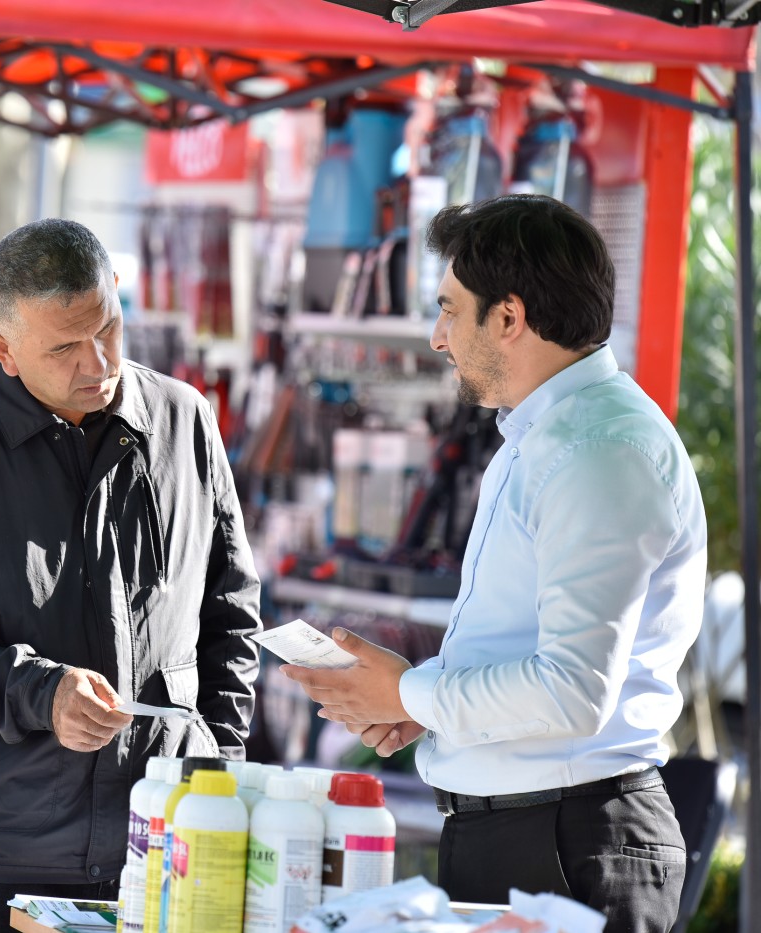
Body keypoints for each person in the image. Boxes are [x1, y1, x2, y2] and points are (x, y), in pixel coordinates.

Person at [282, 194, 705, 931]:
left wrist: (414, 694)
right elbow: (529, 657)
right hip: (534, 833)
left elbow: (574, 690)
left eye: (450, 309)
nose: (438, 336)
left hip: (567, 841)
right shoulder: (551, 435)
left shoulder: (596, 450)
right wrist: (420, 699)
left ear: (508, 317)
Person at [0, 219, 262, 933]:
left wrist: (216, 766)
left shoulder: (185, 418)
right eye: (64, 347)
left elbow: (231, 612)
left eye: (108, 329)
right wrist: (39, 692)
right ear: (3, 351)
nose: (96, 362)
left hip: (167, 840)